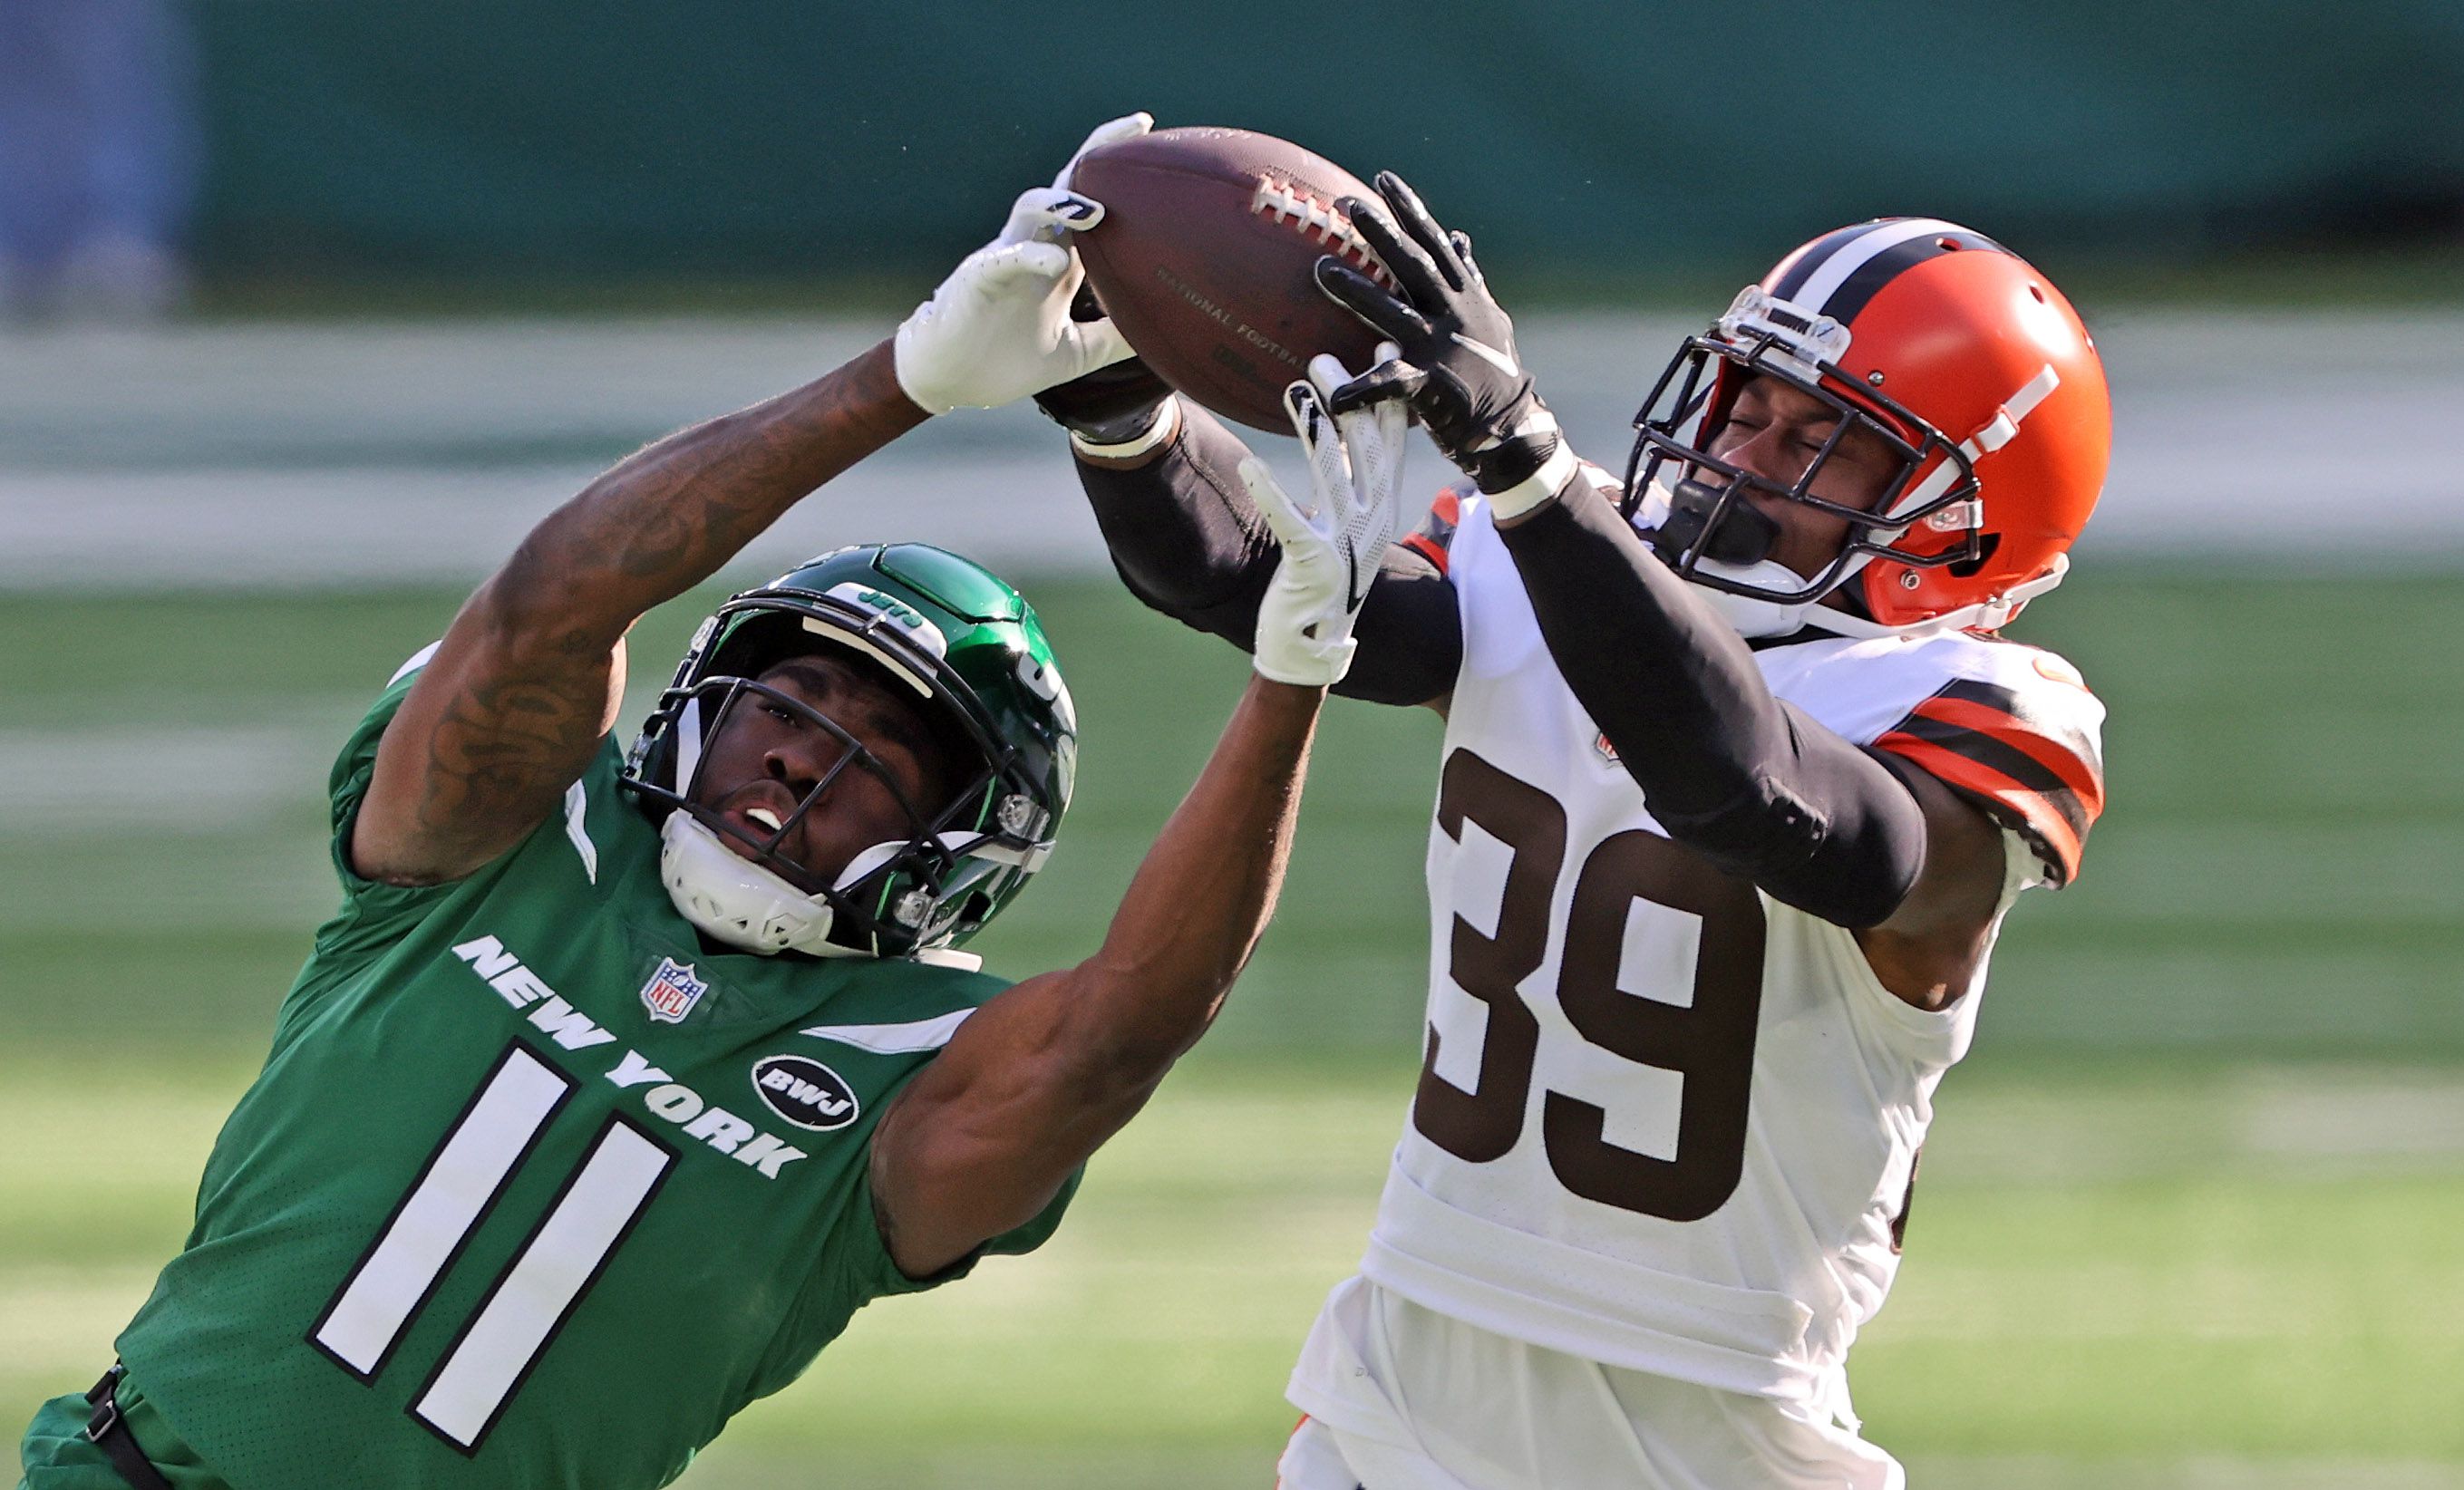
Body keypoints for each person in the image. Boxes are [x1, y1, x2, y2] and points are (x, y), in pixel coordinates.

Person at [15, 118, 1410, 1490]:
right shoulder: (502, 848)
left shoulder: (907, 1060)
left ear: (958, 850)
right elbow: (549, 607)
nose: (803, 759)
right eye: (785, 709)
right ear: (699, 704)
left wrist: (1289, 675)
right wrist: (909, 375)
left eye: (883, 755)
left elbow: (1121, 1031)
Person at [1041, 165, 2110, 1487]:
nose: (1736, 460)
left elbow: (1759, 798)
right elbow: (1260, 581)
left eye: (1814, 440)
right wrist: (1107, 390)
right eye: (1744, 407)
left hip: (1708, 1425)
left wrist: (1529, 469)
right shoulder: (1547, 551)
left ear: (1962, 524)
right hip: (1407, 1377)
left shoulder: (1976, 708)